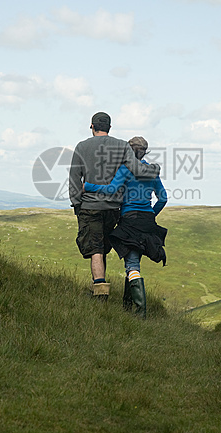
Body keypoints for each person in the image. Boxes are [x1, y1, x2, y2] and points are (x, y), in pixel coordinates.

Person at [69, 113, 160, 300]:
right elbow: (137, 170)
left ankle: (100, 294)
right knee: (102, 248)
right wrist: (156, 169)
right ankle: (101, 287)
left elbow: (74, 179)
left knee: (95, 249)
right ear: (109, 127)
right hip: (113, 208)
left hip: (89, 205)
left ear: (92, 126)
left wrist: (77, 204)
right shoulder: (122, 146)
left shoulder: (81, 147)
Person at [84, 136, 167, 318]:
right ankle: (127, 307)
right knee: (134, 264)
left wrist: (87, 186)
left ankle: (140, 313)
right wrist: (151, 214)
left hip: (129, 220)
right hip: (147, 221)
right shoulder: (152, 172)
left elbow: (112, 190)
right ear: (145, 152)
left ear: (128, 152)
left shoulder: (125, 169)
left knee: (132, 265)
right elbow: (163, 198)